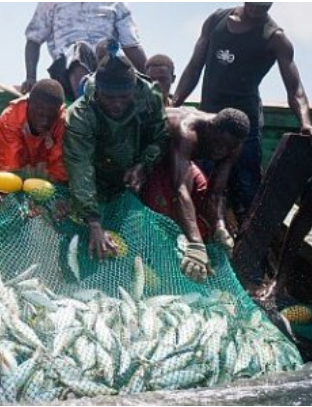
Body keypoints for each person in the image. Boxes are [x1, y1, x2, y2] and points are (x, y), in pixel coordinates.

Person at [173, 2, 312, 224]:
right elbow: (194, 67)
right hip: (209, 125)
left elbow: (295, 89)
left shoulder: (275, 38)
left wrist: (305, 122)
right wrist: (175, 102)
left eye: (265, 5)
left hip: (244, 132)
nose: (259, 7)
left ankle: (250, 253)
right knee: (199, 189)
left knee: (248, 198)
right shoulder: (216, 20)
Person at [63, 43, 168, 260]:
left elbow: (161, 137)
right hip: (94, 181)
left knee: (133, 251)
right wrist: (93, 222)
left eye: (124, 97)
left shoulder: (150, 96)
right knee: (82, 250)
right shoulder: (81, 114)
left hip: (133, 181)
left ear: (133, 90)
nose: (117, 104)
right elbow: (80, 166)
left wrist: (143, 165)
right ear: (98, 90)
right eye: (109, 98)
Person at [142, 107, 250, 282]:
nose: (221, 151)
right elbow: (181, 189)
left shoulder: (234, 145)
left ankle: (198, 257)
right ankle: (157, 260)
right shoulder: (187, 130)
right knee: (164, 208)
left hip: (184, 163)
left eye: (227, 148)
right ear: (210, 129)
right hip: (156, 159)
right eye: (218, 144)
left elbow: (215, 194)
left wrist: (219, 227)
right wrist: (195, 243)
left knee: (201, 203)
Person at [22, 2, 147, 99]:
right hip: (65, 70)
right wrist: (31, 77)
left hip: (106, 68)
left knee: (106, 47)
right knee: (79, 49)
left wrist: (151, 79)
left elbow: (131, 46)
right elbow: (34, 40)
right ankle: (85, 103)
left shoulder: (117, 3)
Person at [0, 78, 68, 183]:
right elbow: (7, 168)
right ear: (29, 104)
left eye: (50, 117)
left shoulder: (63, 122)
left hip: (44, 173)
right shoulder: (10, 120)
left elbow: (60, 171)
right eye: (40, 114)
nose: (45, 121)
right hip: (16, 167)